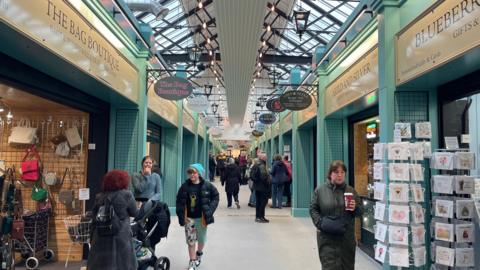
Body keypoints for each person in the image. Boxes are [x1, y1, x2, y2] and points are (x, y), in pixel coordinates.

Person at [309, 160, 363, 270]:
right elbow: (313, 208)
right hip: (327, 239)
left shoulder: (351, 191)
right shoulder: (320, 190)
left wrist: (355, 208)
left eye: (342, 172)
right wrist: (320, 223)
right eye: (336, 172)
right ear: (330, 174)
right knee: (329, 266)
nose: (339, 175)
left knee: (347, 266)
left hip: (346, 239)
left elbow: (360, 211)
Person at [87, 170, 138, 270]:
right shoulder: (126, 195)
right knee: (122, 264)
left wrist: (91, 236)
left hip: (100, 237)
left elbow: (94, 217)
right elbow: (135, 213)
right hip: (121, 236)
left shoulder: (99, 197)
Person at [176, 163, 219, 270]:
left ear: (199, 173)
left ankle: (199, 253)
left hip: (202, 218)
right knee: (191, 240)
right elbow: (179, 202)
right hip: (189, 218)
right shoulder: (185, 186)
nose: (192, 175)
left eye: (194, 172)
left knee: (201, 239)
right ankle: (192, 261)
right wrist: (181, 216)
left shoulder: (207, 185)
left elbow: (216, 196)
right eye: (190, 173)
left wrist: (210, 210)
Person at [250, 154, 270, 223]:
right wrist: (267, 183)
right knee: (263, 202)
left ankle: (258, 217)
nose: (266, 158)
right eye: (265, 157)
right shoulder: (262, 165)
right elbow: (263, 177)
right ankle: (261, 217)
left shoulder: (256, 164)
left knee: (258, 202)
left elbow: (252, 176)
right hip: (262, 187)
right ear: (262, 158)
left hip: (257, 186)